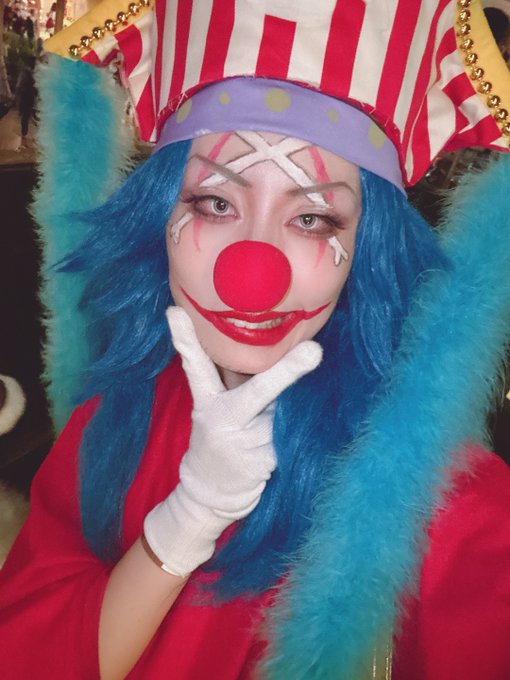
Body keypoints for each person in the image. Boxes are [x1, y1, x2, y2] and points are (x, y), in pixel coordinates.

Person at [1, 1, 510, 679]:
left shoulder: (456, 509)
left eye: (312, 218)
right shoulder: (108, 419)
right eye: (215, 203)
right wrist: (187, 519)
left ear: (368, 252)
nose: (252, 276)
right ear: (157, 221)